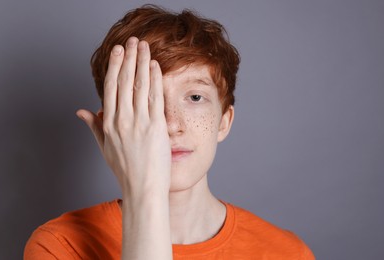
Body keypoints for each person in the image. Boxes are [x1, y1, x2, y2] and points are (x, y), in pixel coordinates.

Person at [24, 5, 315, 259]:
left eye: (195, 98)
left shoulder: (287, 253)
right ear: (113, 125)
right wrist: (144, 192)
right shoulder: (58, 246)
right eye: (148, 99)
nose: (171, 123)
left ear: (224, 121)